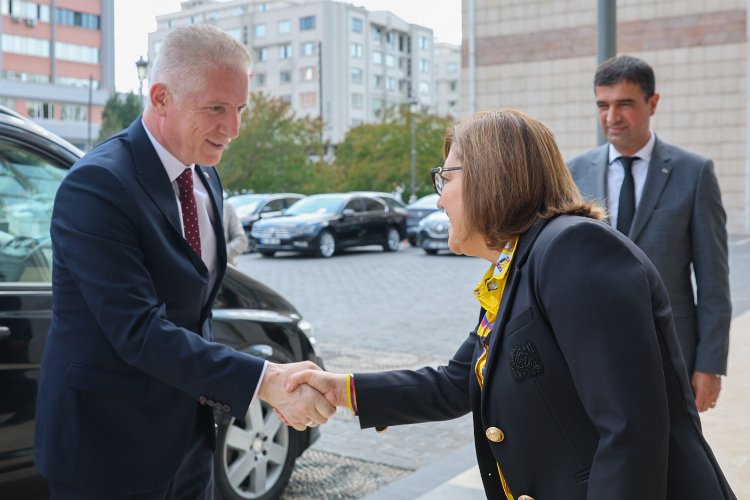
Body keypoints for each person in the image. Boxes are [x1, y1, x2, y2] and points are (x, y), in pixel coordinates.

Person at [286, 109, 736, 499]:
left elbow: (629, 432)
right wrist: (341, 388)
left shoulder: (574, 249)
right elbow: (457, 382)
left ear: (489, 175)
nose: (439, 198)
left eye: (446, 177)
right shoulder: (519, 261)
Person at [34, 25, 334, 499]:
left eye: (239, 110)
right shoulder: (96, 185)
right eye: (216, 108)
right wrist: (265, 380)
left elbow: (195, 310)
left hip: (190, 444)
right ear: (160, 97)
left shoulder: (206, 178)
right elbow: (138, 331)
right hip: (106, 450)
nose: (232, 129)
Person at [568, 55, 731, 413]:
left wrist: (710, 364)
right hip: (590, 356)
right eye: (603, 105)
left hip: (671, 353)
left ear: (652, 103)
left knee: (672, 463)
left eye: (624, 104)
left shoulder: (695, 173)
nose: (612, 118)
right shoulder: (574, 172)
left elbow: (714, 281)